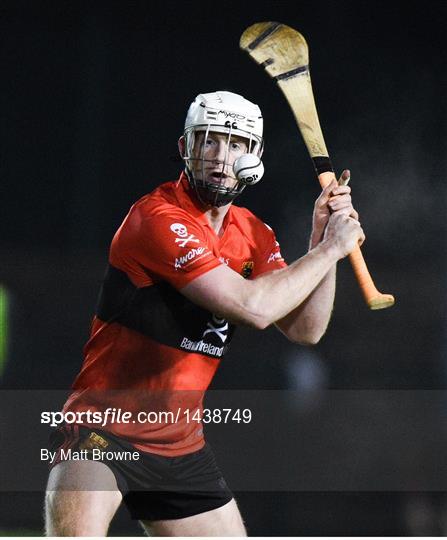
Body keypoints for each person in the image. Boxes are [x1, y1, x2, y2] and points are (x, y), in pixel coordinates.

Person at [44, 90, 363, 536]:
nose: (220, 157)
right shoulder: (156, 219)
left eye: (236, 145)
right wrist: (331, 249)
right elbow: (253, 308)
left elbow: (306, 329)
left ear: (255, 156)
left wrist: (320, 241)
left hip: (179, 444)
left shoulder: (254, 234)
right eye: (208, 141)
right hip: (103, 433)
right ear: (185, 148)